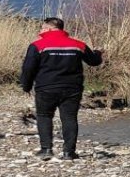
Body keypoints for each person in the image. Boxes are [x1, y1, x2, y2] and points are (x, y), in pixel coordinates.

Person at [19, 17, 102, 160]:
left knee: (44, 116)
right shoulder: (78, 45)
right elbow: (94, 61)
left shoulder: (37, 45)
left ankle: (46, 149)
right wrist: (98, 53)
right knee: (69, 118)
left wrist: (26, 86)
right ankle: (69, 152)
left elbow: (28, 68)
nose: (40, 31)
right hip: (72, 88)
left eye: (42, 28)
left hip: (46, 88)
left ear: (49, 28)